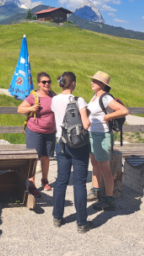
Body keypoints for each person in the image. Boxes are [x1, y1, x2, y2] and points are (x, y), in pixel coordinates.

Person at [51, 72, 92, 233]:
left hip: (61, 142)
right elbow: (86, 125)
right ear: (73, 83)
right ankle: (81, 222)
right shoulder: (79, 100)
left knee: (61, 180)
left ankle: (57, 217)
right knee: (80, 183)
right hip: (78, 145)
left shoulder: (54, 100)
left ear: (61, 83)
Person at [86, 71, 129, 211]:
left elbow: (123, 110)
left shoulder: (105, 97)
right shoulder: (95, 96)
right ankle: (96, 189)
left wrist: (107, 117)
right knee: (94, 163)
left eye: (95, 81)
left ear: (103, 84)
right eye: (92, 80)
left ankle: (109, 200)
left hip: (102, 135)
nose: (92, 82)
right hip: (92, 134)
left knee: (105, 169)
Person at [17, 71, 56, 197]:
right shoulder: (33, 97)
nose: (47, 84)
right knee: (34, 158)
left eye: (49, 81)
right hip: (35, 131)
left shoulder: (53, 96)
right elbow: (19, 109)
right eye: (44, 82)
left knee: (46, 156)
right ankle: (32, 184)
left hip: (50, 131)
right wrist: (30, 108)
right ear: (39, 83)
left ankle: (45, 180)